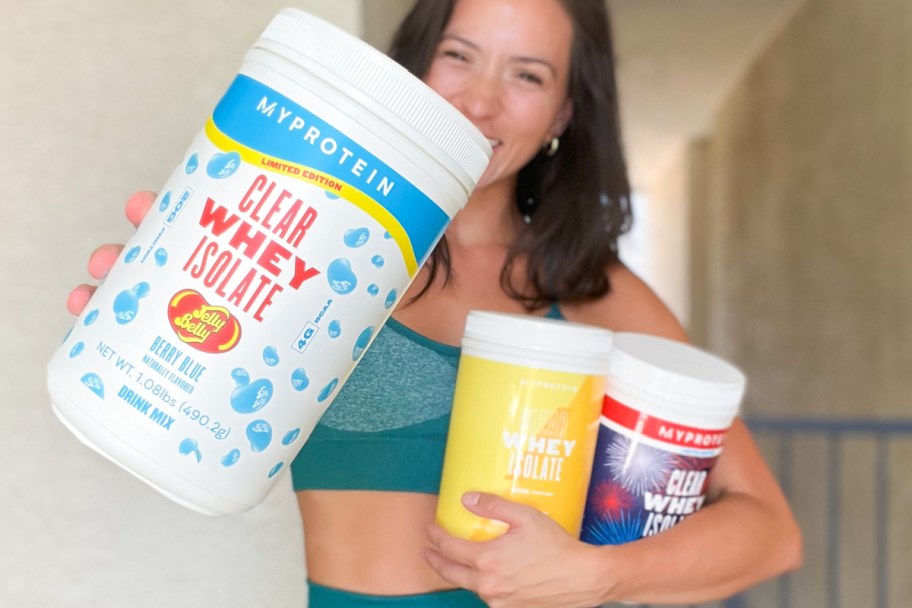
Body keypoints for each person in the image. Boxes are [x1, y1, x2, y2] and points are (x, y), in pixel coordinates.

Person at [67, 0, 802, 606]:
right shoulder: (318, 248)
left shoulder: (590, 290)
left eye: (527, 75)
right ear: (415, 66)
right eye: (458, 55)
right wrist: (157, 315)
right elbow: (184, 412)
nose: (480, 101)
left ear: (561, 114)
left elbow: (770, 531)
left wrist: (604, 573)